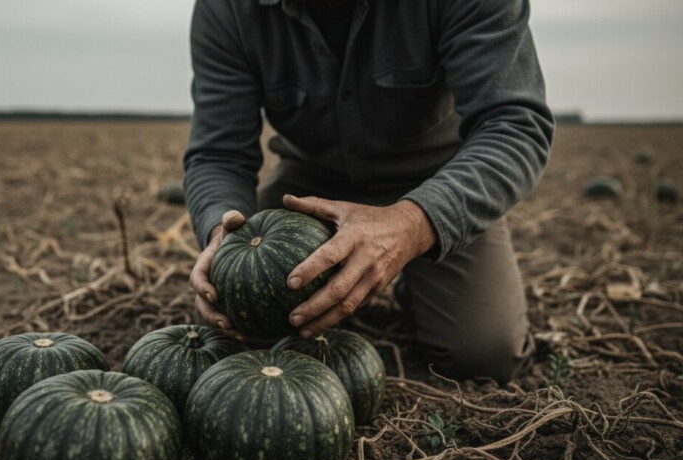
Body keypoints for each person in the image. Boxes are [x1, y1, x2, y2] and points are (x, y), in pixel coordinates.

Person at [183, 0, 554, 382]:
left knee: (484, 354)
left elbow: (515, 126)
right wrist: (221, 236)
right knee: (232, 324)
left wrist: (412, 225)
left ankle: (417, 269)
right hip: (309, 188)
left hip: (438, 183)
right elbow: (218, 154)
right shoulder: (225, 8)